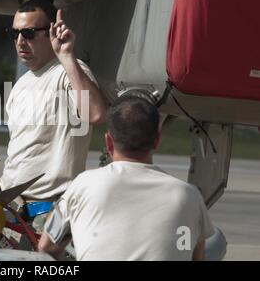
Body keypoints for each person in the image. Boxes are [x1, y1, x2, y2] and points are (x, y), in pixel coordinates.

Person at [38, 96, 215, 260]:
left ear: (108, 142)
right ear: (157, 140)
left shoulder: (83, 184)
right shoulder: (189, 195)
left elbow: (46, 246)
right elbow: (197, 258)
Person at [0, 0, 108, 244]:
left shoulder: (68, 72)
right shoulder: (21, 85)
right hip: (13, 213)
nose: (19, 41)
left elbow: (96, 114)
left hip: (49, 214)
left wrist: (67, 55)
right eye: (14, 33)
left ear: (51, 32)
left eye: (28, 33)